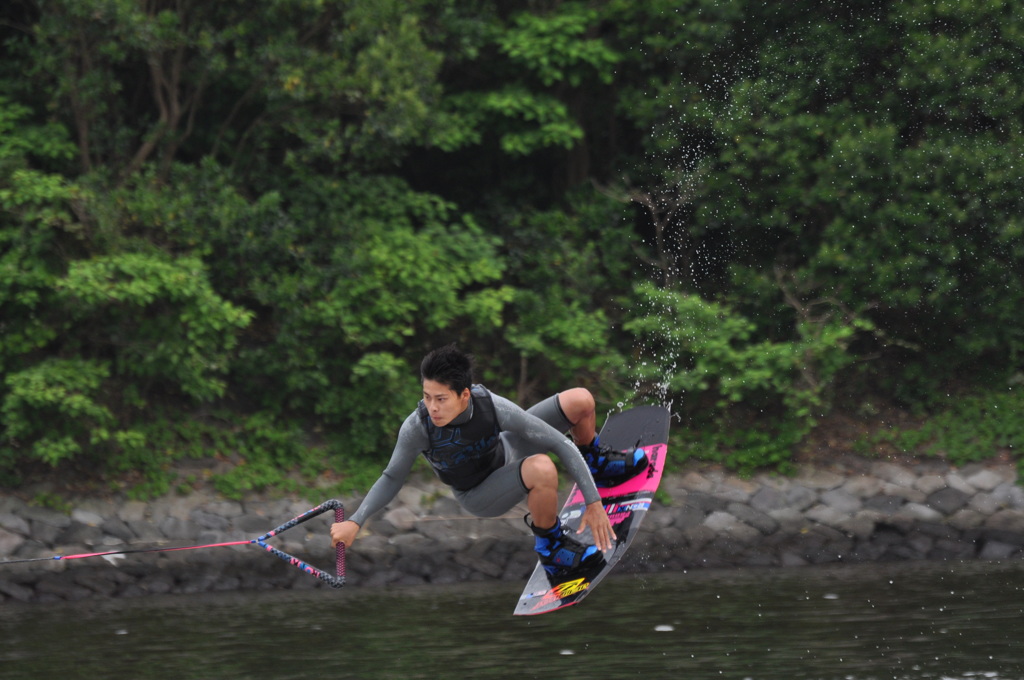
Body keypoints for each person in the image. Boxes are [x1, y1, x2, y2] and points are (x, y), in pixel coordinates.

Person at [330, 344, 650, 576]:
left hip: (507, 452)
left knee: (580, 400)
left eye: (441, 399)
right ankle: (553, 548)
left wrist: (593, 500)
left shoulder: (491, 406)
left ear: (464, 395)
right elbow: (391, 478)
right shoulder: (418, 428)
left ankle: (598, 462)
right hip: (479, 493)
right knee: (541, 467)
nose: (432, 407)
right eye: (427, 397)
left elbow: (556, 442)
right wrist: (356, 521)